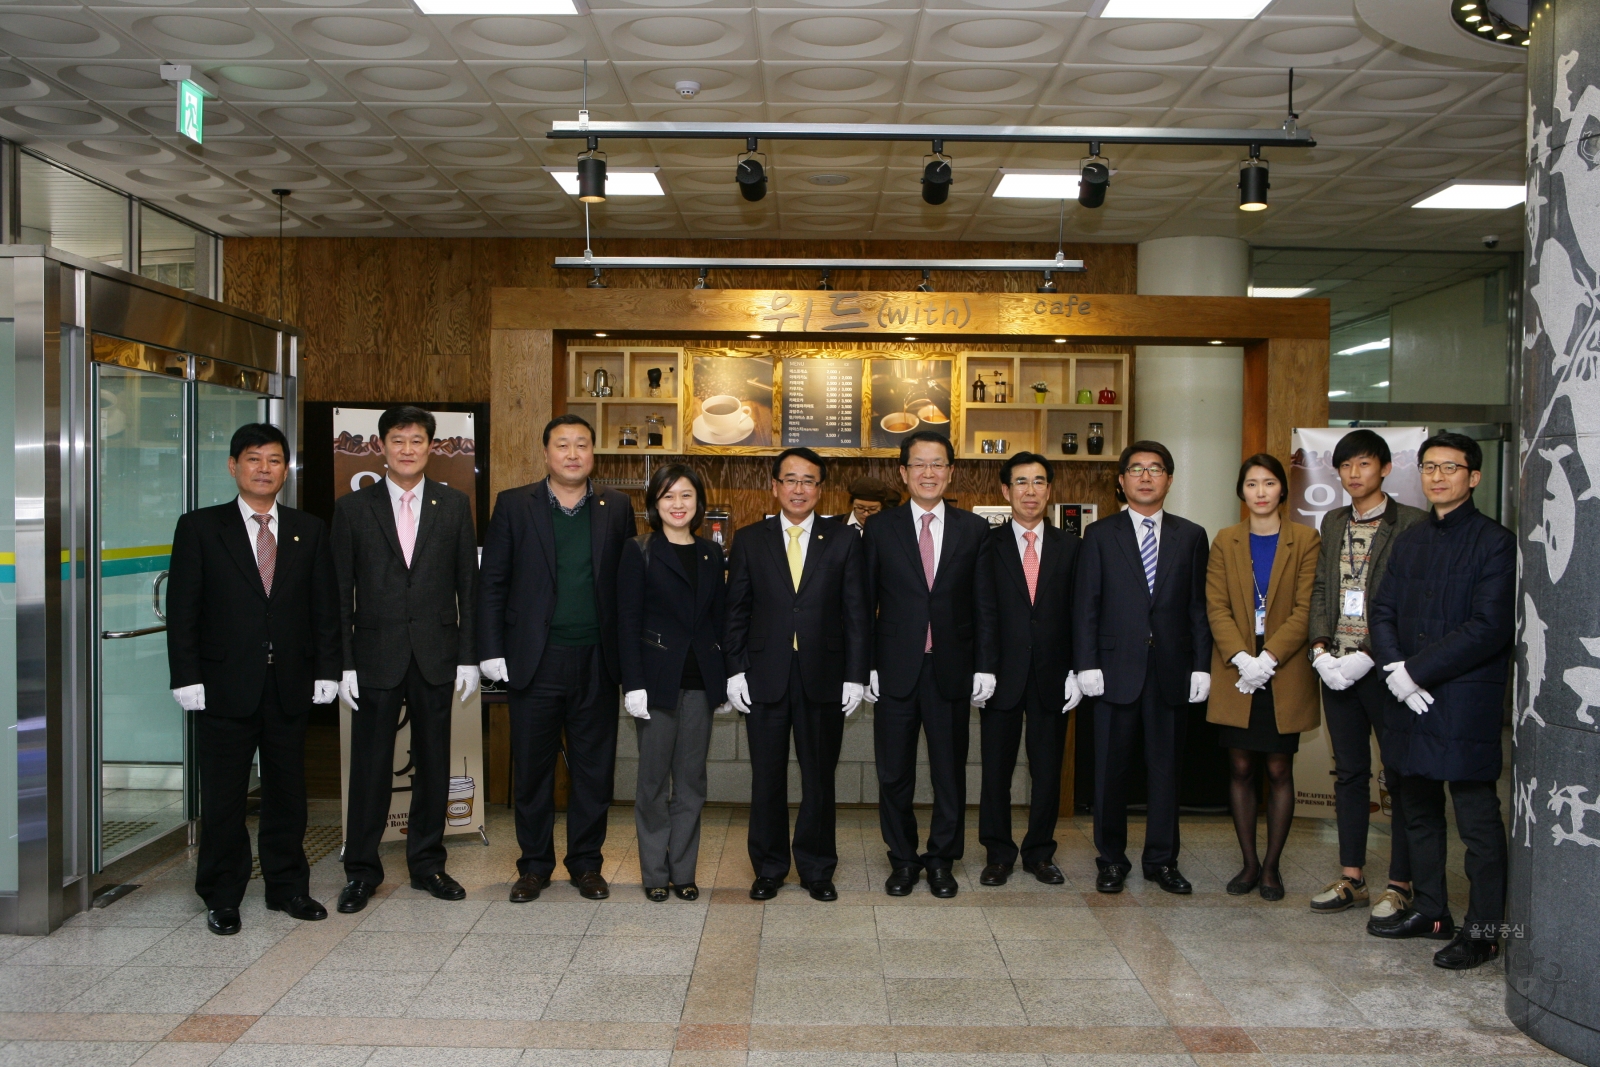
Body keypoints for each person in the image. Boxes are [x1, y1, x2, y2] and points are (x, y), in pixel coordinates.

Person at [166, 423, 340, 936]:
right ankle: (222, 894)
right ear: (233, 466)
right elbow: (183, 609)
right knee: (223, 797)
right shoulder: (200, 527)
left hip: (288, 683)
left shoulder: (307, 529)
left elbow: (324, 609)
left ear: (287, 469)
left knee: (288, 793)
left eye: (274, 460)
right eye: (254, 459)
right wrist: (186, 675)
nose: (265, 469)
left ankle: (288, 887)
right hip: (222, 685)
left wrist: (327, 670)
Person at [477, 414, 638, 903]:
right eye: (563, 445)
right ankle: (533, 866)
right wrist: (490, 650)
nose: (572, 454)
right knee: (532, 770)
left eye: (582, 445)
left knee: (594, 771)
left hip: (596, 659)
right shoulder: (513, 505)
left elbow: (628, 587)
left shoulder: (617, 507)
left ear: (594, 454)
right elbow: (492, 583)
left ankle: (587, 865)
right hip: (535, 659)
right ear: (545, 452)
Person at [1369, 433, 1514, 970]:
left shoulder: (1495, 542)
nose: (1437, 476)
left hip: (1462, 698)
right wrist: (1395, 672)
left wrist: (1415, 671)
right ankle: (1431, 911)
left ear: (1473, 477)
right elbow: (1379, 609)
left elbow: (1488, 626)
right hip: (1407, 698)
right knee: (1416, 809)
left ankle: (1484, 930)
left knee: (1476, 817)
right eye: (1429, 467)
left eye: (1450, 468)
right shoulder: (1409, 539)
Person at [330, 405, 481, 914]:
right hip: (374, 654)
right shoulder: (353, 508)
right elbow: (340, 591)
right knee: (370, 767)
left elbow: (468, 585)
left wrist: (468, 657)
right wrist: (344, 663)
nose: (408, 449)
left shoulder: (454, 504)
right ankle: (361, 870)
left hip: (438, 654)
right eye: (398, 440)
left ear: (432, 447)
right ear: (381, 446)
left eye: (418, 440)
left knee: (434, 765)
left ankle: (428, 864)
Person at [724, 448, 869, 901]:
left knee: (819, 778)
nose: (799, 488)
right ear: (775, 486)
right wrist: (735, 671)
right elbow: (737, 613)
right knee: (766, 777)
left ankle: (817, 869)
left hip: (824, 676)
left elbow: (856, 613)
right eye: (790, 479)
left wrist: (855, 675)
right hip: (765, 676)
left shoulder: (844, 539)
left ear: (820, 489)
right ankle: (768, 868)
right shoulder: (750, 539)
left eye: (809, 480)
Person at [1073, 440, 1211, 895]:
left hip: (1171, 670)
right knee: (1110, 771)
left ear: (1169, 479)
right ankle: (1111, 860)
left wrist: (1201, 666)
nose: (1146, 476)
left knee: (1165, 771)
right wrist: (1086, 663)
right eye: (1136, 469)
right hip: (1113, 671)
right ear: (1121, 480)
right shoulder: (1099, 535)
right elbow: (1086, 605)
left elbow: (1198, 608)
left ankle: (1161, 860)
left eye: (1156, 469)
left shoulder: (1190, 535)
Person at [863, 430, 996, 898]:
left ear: (951, 471)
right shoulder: (880, 528)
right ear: (903, 472)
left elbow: (984, 604)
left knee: (948, 771)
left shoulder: (973, 529)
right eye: (918, 464)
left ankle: (941, 859)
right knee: (894, 773)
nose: (928, 473)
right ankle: (902, 860)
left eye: (937, 464)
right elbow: (864, 603)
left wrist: (985, 665)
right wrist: (866, 668)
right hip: (896, 668)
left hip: (951, 669)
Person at [1305, 429, 1424, 918]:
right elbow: (1318, 589)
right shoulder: (1332, 522)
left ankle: (1400, 884)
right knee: (1349, 773)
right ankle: (1351, 876)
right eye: (1346, 467)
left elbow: (1413, 601)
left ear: (1384, 468)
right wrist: (1319, 650)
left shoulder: (1413, 524)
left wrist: (1372, 653)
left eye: (1363, 465)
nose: (1354, 475)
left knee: (1397, 776)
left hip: (1385, 669)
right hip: (1337, 668)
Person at [1205, 454, 1320, 901]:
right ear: (1241, 491)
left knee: (1277, 767)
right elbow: (1215, 605)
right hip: (1237, 669)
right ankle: (1248, 863)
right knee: (1238, 765)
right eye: (1251, 484)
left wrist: (1268, 657)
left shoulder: (1306, 539)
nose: (1260, 492)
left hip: (1284, 667)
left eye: (1268, 483)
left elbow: (1306, 607)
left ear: (1281, 490)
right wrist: (1240, 656)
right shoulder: (1226, 540)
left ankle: (1272, 867)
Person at [618, 464, 728, 902]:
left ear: (698, 502)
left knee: (690, 782)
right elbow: (626, 621)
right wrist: (633, 683)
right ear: (654, 505)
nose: (677, 504)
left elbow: (717, 622)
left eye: (685, 495)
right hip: (656, 683)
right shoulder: (638, 550)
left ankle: (683, 871)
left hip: (701, 681)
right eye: (668, 496)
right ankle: (654, 873)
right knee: (651, 783)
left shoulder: (711, 553)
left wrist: (725, 679)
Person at [973, 452, 1082, 886]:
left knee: (1047, 770)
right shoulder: (987, 545)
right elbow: (980, 608)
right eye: (1021, 482)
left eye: (1039, 482)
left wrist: (1077, 668)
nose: (1030, 491)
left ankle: (1040, 852)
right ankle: (998, 854)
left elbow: (1080, 612)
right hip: (1000, 675)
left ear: (1050, 490)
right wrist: (982, 668)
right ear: (1005, 491)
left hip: (1052, 677)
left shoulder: (1072, 547)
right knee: (995, 770)